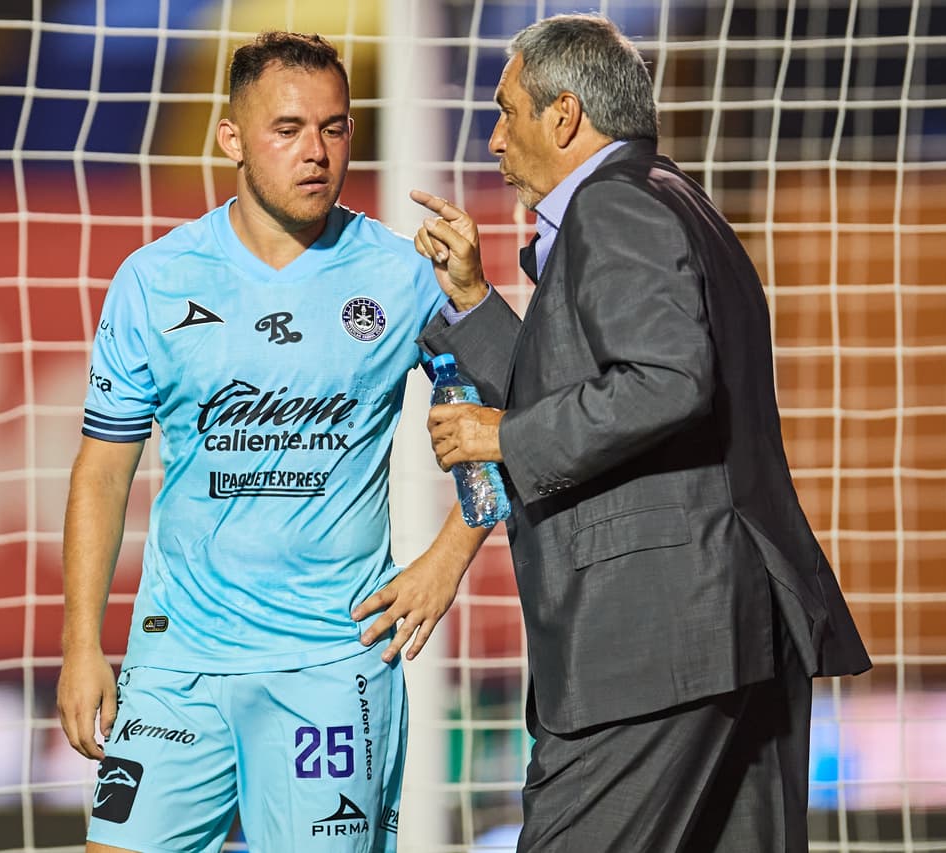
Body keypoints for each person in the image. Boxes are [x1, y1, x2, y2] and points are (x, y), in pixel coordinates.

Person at [408, 13, 872, 852]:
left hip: (652, 643)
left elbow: (665, 383)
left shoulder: (612, 207)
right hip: (729, 631)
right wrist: (478, 305)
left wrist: (500, 439)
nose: (492, 136)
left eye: (507, 110)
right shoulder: (673, 201)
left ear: (565, 117)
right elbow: (598, 388)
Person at [56, 31, 485, 853]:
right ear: (232, 140)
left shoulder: (404, 277)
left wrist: (447, 558)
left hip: (331, 664)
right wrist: (81, 645)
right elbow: (102, 472)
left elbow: (504, 426)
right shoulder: (155, 280)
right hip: (175, 663)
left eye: (334, 127)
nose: (317, 153)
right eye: (287, 129)